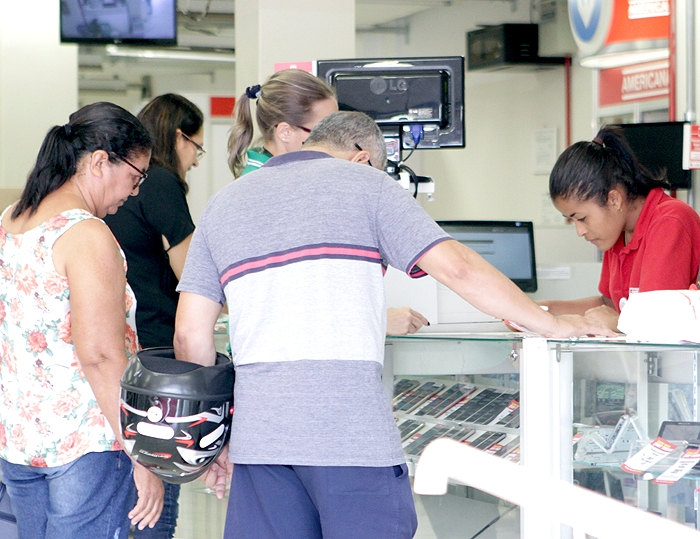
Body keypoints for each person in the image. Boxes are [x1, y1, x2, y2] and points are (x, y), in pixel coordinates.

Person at [173, 111, 615, 539]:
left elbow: (190, 337)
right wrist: (550, 325)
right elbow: (457, 268)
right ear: (363, 157)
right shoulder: (367, 185)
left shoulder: (223, 204)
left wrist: (214, 441)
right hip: (351, 440)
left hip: (260, 445)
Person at [0, 102, 164, 539]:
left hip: (21, 440)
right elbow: (101, 356)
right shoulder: (86, 235)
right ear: (98, 162)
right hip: (87, 442)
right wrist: (141, 454)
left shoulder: (12, 219)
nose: (134, 192)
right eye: (135, 177)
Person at [229, 69, 427, 335]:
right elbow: (285, 299)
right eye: (322, 132)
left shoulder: (285, 178)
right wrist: (376, 320)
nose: (334, 142)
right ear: (285, 131)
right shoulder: (265, 191)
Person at [103, 93, 203, 539]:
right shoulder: (160, 183)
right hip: (158, 356)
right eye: (196, 148)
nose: (196, 161)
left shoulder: (118, 190)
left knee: (122, 490)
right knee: (154, 498)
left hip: (120, 347)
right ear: (179, 136)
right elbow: (196, 274)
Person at [537, 126, 700, 332]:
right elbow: (610, 306)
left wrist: (615, 323)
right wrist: (541, 311)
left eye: (582, 218)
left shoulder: (670, 220)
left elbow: (658, 322)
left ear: (614, 199)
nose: (580, 231)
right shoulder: (616, 230)